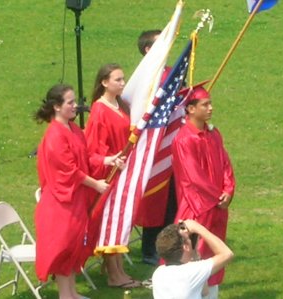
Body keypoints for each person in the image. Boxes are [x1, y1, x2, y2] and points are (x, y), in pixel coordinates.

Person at [34, 83, 124, 298]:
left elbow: (85, 158)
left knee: (74, 247)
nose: (76, 106)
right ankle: (66, 295)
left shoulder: (73, 129)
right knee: (64, 249)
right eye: (70, 102)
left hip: (75, 201)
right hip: (61, 203)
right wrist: (96, 184)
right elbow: (69, 170)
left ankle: (72, 293)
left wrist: (108, 160)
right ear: (57, 107)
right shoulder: (55, 135)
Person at [171, 84, 236, 298]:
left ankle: (212, 294)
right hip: (196, 206)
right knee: (191, 254)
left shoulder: (213, 133)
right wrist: (218, 196)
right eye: (205, 104)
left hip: (217, 206)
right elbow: (193, 176)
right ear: (190, 109)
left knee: (214, 253)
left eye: (210, 104)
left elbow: (225, 163)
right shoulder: (184, 139)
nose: (210, 108)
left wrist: (229, 189)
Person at [84, 63, 141, 288]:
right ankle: (114, 274)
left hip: (122, 171)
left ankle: (119, 270)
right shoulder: (99, 110)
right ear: (104, 82)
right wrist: (109, 160)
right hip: (109, 173)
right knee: (110, 223)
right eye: (117, 80)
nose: (122, 83)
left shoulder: (120, 105)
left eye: (123, 79)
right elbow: (93, 149)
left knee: (119, 221)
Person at [135, 29, 177, 266]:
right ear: (148, 49)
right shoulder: (143, 77)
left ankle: (170, 247)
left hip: (172, 145)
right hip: (152, 146)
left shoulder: (172, 73)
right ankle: (150, 249)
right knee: (154, 200)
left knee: (172, 199)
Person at [152, 219, 233, 299]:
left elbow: (204, 291)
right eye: (188, 239)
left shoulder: (158, 273)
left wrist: (194, 256)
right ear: (186, 247)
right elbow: (227, 254)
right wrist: (197, 228)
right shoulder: (191, 272)